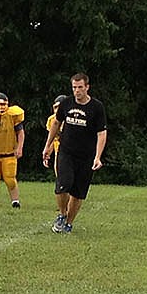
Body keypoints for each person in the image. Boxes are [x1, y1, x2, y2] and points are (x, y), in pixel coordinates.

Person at [42, 73, 107, 234]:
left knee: (78, 193)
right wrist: (47, 146)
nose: (77, 91)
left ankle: (69, 224)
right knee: (63, 185)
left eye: (80, 87)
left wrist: (98, 156)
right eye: (74, 87)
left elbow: (101, 133)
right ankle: (62, 215)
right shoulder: (66, 103)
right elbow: (56, 123)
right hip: (66, 152)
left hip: (86, 155)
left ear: (87, 87)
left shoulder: (97, 107)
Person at [45, 95, 67, 176]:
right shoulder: (52, 120)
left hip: (73, 152)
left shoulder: (73, 119)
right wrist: (47, 153)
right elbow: (52, 138)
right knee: (60, 177)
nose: (58, 110)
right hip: (58, 152)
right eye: (56, 107)